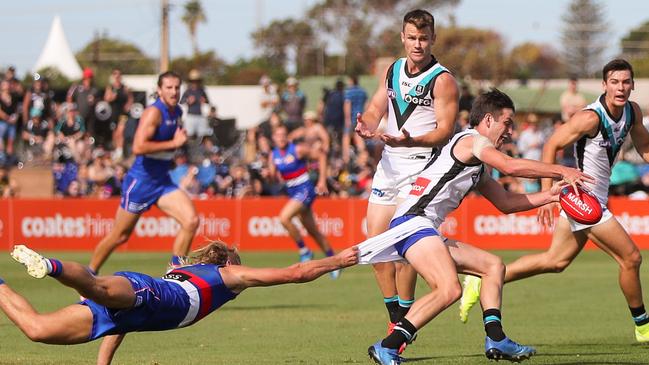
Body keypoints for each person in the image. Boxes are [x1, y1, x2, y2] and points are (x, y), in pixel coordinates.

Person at [357, 89, 592, 364]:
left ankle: (497, 338)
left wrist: (550, 196)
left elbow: (505, 202)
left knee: (493, 267)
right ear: (489, 120)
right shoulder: (473, 142)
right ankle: (388, 345)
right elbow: (510, 167)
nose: (511, 131)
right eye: (507, 123)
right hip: (413, 222)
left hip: (421, 225)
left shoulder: (477, 160)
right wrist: (560, 170)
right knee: (449, 289)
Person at [459, 59, 649, 344]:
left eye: (625, 82)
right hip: (583, 199)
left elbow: (644, 145)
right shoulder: (590, 118)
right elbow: (552, 145)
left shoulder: (632, 112)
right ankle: (643, 327)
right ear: (604, 85)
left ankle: (482, 279)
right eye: (614, 82)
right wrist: (548, 196)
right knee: (631, 258)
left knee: (555, 261)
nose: (620, 88)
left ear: (632, 85)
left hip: (594, 198)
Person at [2, 242, 359, 365]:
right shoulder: (227, 276)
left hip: (132, 308)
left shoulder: (186, 270)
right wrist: (338, 261)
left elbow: (124, 323)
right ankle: (50, 266)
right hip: (146, 293)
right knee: (96, 288)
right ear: (231, 263)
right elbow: (295, 272)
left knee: (36, 329)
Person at [354, 9, 458, 339]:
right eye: (412, 38)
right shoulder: (393, 70)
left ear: (433, 39)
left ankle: (404, 321)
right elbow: (375, 108)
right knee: (374, 247)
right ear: (402, 37)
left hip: (421, 167)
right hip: (389, 166)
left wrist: (411, 138)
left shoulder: (443, 79)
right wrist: (366, 126)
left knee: (404, 250)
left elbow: (445, 131)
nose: (417, 44)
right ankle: (396, 314)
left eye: (423, 38)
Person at [88, 71, 198, 274]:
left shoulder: (177, 112)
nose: (174, 92)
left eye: (176, 87)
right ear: (159, 90)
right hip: (141, 181)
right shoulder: (153, 113)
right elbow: (138, 147)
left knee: (191, 221)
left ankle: (175, 276)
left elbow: (166, 145)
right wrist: (173, 143)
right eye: (169, 88)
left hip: (162, 181)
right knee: (120, 236)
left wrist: (175, 145)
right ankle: (88, 275)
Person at [268, 124, 339, 277]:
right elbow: (273, 178)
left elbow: (321, 155)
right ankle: (335, 263)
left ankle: (304, 250)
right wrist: (268, 174)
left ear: (287, 136)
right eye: (277, 135)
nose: (280, 138)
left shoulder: (297, 149)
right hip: (292, 191)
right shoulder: (273, 155)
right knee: (313, 231)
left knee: (284, 217)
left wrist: (321, 181)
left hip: (305, 189)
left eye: (283, 134)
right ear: (273, 138)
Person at [343, 75, 368, 163]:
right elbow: (366, 104)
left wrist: (347, 119)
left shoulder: (349, 92)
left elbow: (347, 104)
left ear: (351, 81)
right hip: (361, 117)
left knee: (346, 137)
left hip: (352, 117)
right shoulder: (363, 91)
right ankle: (363, 157)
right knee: (359, 137)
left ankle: (346, 158)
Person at [180, 69, 211, 138]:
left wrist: (204, 101)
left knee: (203, 136)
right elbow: (181, 102)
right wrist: (188, 101)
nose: (195, 83)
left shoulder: (202, 90)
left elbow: (208, 102)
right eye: (193, 81)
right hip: (190, 116)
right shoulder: (188, 91)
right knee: (188, 136)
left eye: (196, 81)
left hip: (200, 116)